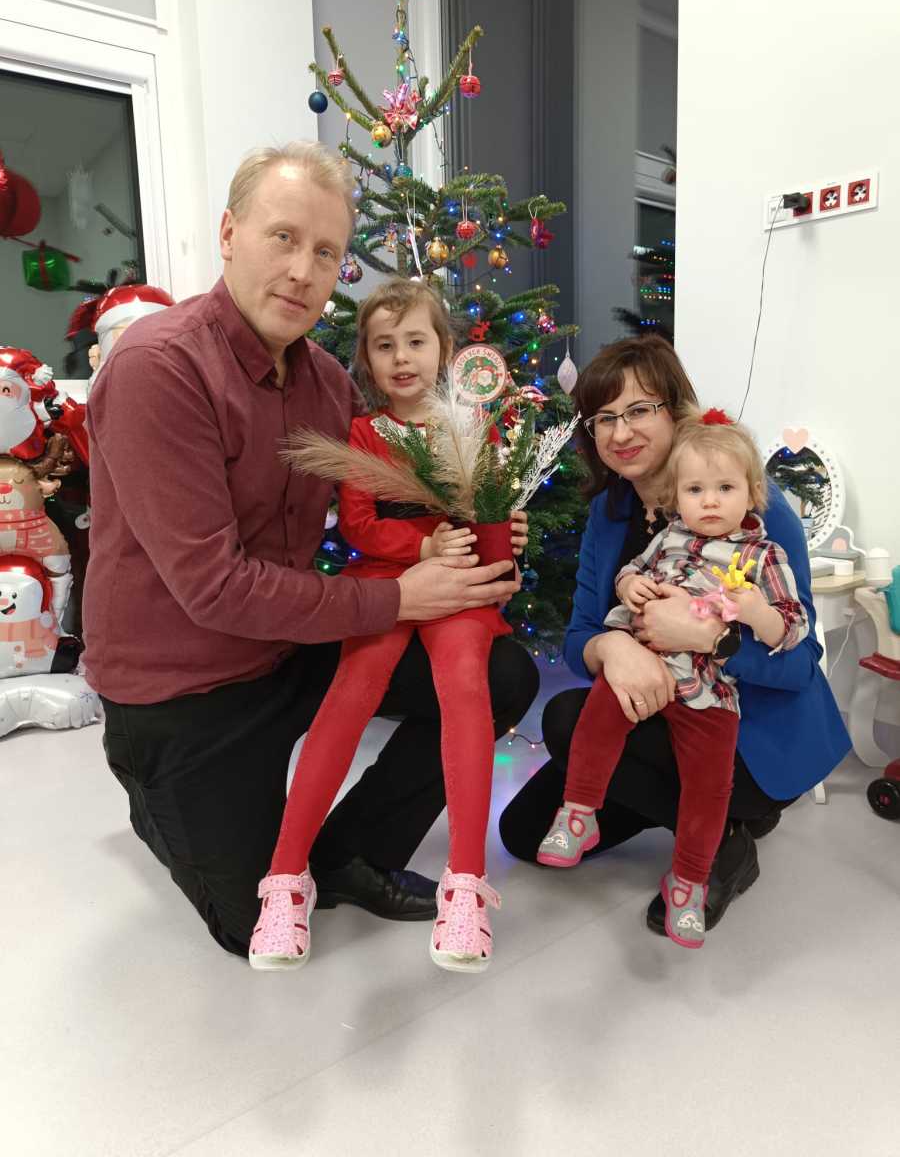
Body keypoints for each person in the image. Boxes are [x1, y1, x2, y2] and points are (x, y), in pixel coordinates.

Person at [84, 141, 538, 959]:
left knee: (502, 674)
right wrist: (400, 597)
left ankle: (349, 853)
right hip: (186, 686)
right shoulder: (160, 368)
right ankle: (155, 796)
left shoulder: (326, 382)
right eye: (284, 238)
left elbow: (396, 492)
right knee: (243, 924)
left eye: (326, 252)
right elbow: (214, 587)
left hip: (289, 647)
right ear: (230, 234)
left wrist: (481, 524)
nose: (303, 271)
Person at [499, 335, 849, 936]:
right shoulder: (610, 512)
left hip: (745, 735)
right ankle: (668, 805)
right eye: (604, 418)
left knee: (564, 718)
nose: (620, 432)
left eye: (639, 409)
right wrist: (613, 646)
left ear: (676, 409)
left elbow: (800, 661)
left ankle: (724, 842)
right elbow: (581, 635)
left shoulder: (754, 511)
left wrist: (711, 638)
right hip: (656, 712)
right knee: (522, 833)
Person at [250, 279, 526, 973]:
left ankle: (466, 884)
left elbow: (490, 509)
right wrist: (421, 546)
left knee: (467, 688)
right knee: (351, 694)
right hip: (386, 584)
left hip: (458, 585)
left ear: (444, 349)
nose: (401, 357)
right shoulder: (364, 434)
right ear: (367, 360)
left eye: (415, 341)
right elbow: (360, 525)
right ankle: (286, 879)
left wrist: (503, 535)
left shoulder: (474, 427)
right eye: (383, 345)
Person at [535, 408, 808, 946]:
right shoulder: (668, 537)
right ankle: (579, 812)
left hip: (709, 689)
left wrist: (754, 613)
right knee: (595, 715)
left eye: (725, 488)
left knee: (709, 785)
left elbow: (793, 629)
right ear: (676, 498)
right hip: (647, 668)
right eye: (695, 490)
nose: (710, 502)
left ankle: (690, 880)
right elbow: (632, 571)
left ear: (752, 493)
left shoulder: (763, 555)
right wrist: (629, 585)